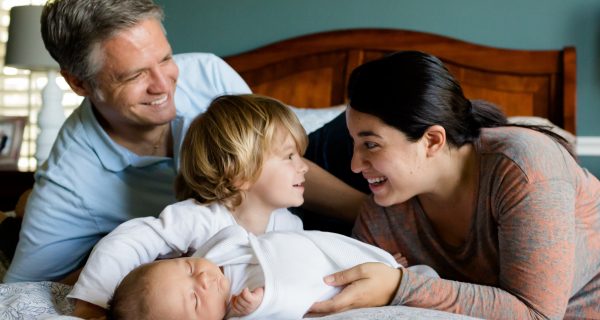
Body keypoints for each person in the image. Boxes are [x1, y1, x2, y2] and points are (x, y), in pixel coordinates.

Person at [3, 0, 364, 285]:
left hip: (286, 196)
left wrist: (374, 214)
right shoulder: (69, 180)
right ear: (80, 84)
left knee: (367, 120)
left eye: (165, 58)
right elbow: (25, 291)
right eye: (136, 74)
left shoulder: (206, 72)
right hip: (239, 238)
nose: (164, 85)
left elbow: (275, 161)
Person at [70, 94, 426, 319]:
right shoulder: (198, 217)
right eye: (289, 157)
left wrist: (375, 263)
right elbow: (130, 240)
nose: (303, 167)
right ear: (240, 173)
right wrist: (92, 304)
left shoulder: (289, 227)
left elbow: (320, 263)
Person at [307, 51, 600, 319]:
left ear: (432, 140)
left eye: (371, 145)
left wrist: (400, 285)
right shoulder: (381, 213)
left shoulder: (523, 166)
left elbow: (538, 314)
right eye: (355, 144)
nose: (355, 166)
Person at [107, 225, 437, 320]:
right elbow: (290, 303)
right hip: (319, 287)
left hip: (320, 256)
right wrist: (261, 305)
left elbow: (241, 238)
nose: (206, 279)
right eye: (195, 299)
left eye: (190, 267)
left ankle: (406, 277)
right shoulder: (236, 309)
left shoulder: (219, 254)